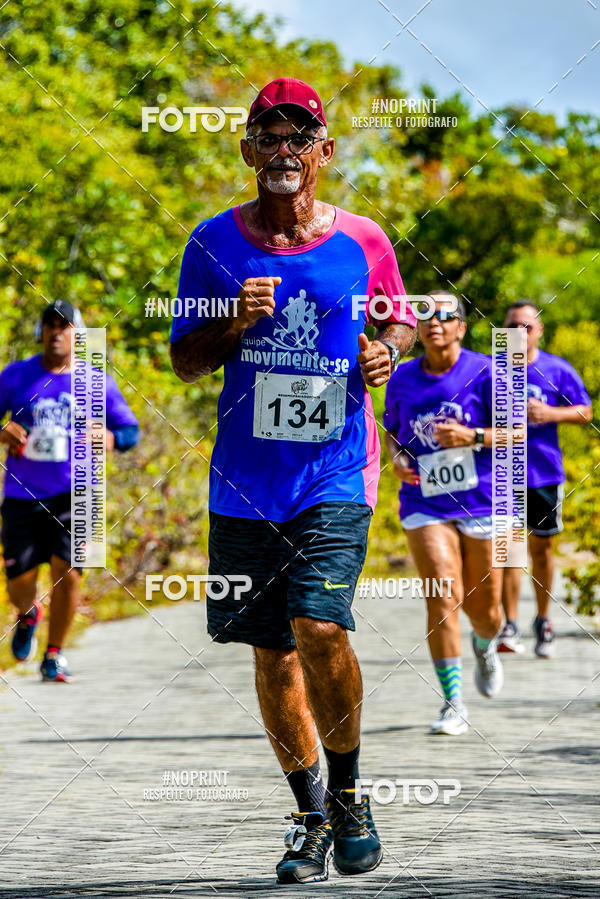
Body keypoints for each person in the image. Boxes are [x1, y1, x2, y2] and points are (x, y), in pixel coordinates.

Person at [169, 78, 416, 884]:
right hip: (243, 483)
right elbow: (183, 360)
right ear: (247, 151)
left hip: (337, 471)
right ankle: (310, 815)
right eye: (268, 137)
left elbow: (394, 321)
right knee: (272, 652)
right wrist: (232, 321)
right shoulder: (212, 243)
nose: (284, 151)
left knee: (319, 625)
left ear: (325, 152)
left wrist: (386, 352)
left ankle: (349, 797)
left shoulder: (364, 240)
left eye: (299, 137)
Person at [384, 292, 505, 737]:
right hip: (424, 500)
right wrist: (396, 458)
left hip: (481, 498)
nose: (434, 322)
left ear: (461, 326)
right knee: (441, 593)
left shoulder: (488, 371)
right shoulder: (402, 379)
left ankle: (485, 644)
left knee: (486, 611)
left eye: (445, 315)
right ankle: (452, 702)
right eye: (424, 315)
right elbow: (392, 431)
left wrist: (472, 435)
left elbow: (517, 435)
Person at [0, 300, 139, 682]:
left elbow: (131, 431)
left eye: (66, 326)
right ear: (40, 332)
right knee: (19, 582)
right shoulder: (15, 376)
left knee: (70, 573)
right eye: (51, 325)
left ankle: (54, 654)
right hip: (22, 495)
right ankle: (28, 613)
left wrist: (110, 437)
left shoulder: (96, 382)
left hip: (80, 494)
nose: (58, 332)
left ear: (78, 335)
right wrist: (3, 432)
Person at [498, 300, 592, 657]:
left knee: (541, 548)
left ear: (539, 331)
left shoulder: (557, 369)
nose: (518, 334)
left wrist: (550, 412)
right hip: (502, 472)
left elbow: (585, 411)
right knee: (508, 550)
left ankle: (542, 619)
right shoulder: (493, 370)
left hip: (543, 472)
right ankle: (509, 623)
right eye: (511, 327)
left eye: (526, 327)